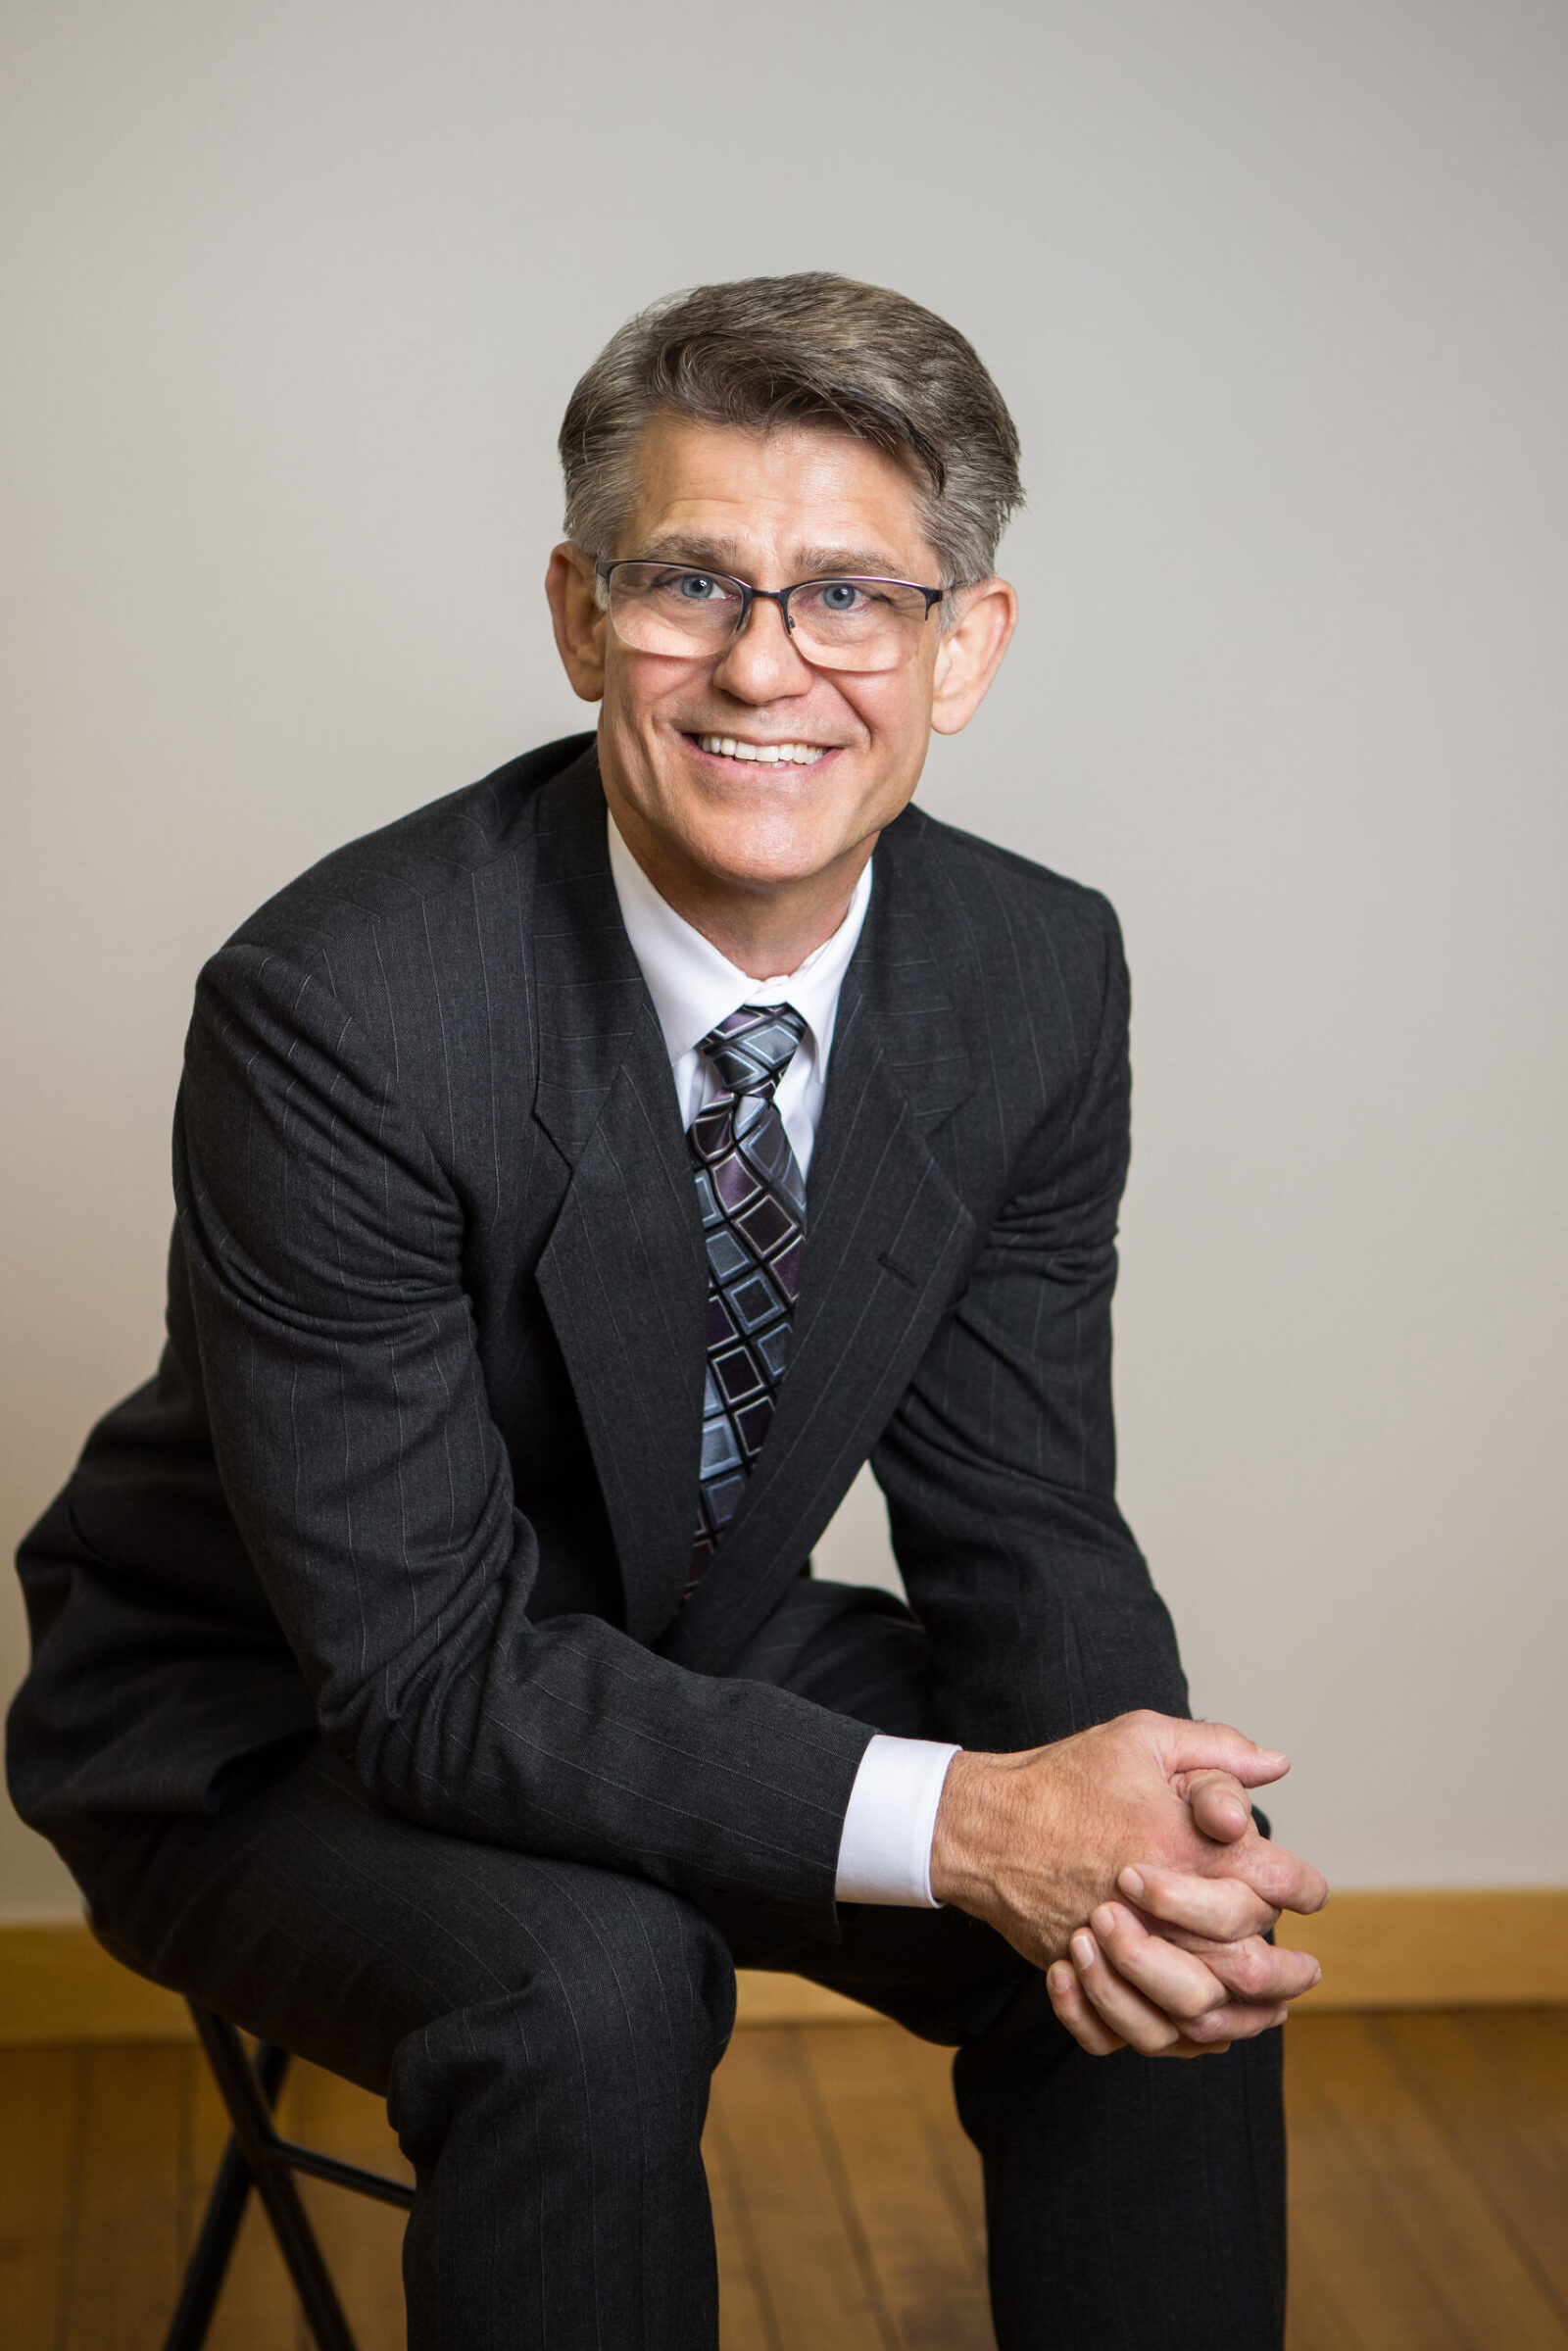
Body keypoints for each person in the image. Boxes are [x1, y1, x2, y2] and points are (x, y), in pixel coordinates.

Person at [7, 272, 1326, 2350]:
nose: (763, 665)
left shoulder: (1032, 975)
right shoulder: (340, 1013)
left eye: (850, 598)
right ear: (571, 614)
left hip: (673, 1620)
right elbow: (431, 1677)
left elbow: (1024, 1525)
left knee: (1176, 1915)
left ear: (961, 647)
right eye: (689, 579)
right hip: (269, 1715)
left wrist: (1126, 1816)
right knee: (595, 1986)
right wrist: (969, 1822)